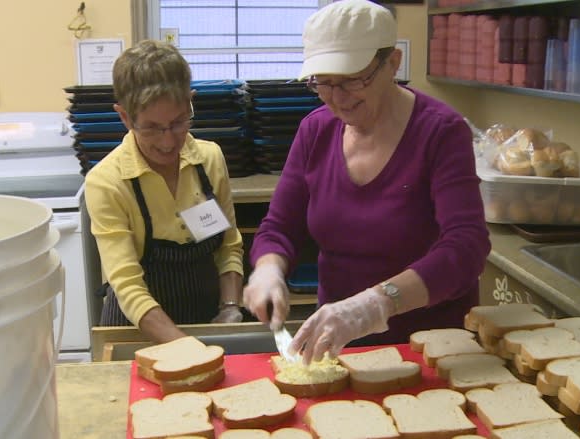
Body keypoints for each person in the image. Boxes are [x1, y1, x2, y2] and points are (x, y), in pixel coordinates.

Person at [243, 0, 491, 364]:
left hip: (430, 350)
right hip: (340, 347)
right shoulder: (315, 130)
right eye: (323, 83)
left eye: (353, 80)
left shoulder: (440, 132)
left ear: (391, 63)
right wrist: (268, 269)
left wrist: (377, 302)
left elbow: (466, 247)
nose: (337, 98)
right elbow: (279, 227)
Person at [85, 40, 244, 343]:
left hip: (209, 321)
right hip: (137, 334)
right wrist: (187, 348)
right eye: (152, 128)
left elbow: (228, 246)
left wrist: (231, 308)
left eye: (178, 122)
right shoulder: (107, 182)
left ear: (191, 102)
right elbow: (127, 285)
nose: (169, 141)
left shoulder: (209, 160)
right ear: (124, 117)